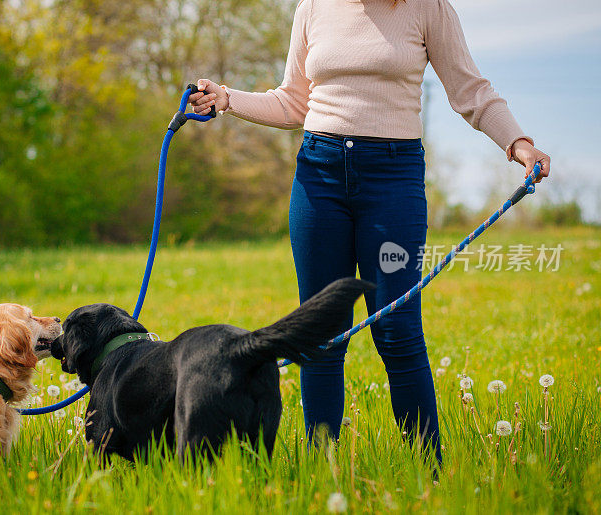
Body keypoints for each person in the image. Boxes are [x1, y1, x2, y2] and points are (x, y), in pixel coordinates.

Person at [189, 0, 550, 463]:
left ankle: (428, 470)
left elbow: (470, 89)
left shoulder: (427, 8)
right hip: (318, 177)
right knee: (320, 332)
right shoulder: (314, 7)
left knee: (398, 330)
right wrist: (227, 98)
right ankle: (324, 468)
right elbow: (293, 101)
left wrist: (518, 142)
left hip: (392, 179)